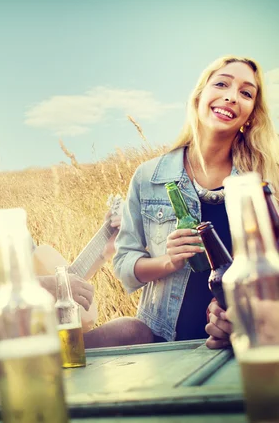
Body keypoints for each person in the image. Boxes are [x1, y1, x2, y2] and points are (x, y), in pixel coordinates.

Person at [0, 127, 154, 374]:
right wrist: (49, 286)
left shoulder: (13, 232)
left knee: (133, 332)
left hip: (38, 349)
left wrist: (104, 249)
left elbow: (52, 293)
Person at [113, 56, 279, 345]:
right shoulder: (149, 176)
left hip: (240, 338)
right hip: (163, 343)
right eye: (222, 84)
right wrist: (168, 261)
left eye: (246, 93)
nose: (231, 96)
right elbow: (124, 264)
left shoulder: (262, 181)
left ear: (252, 113)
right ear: (199, 95)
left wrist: (244, 313)